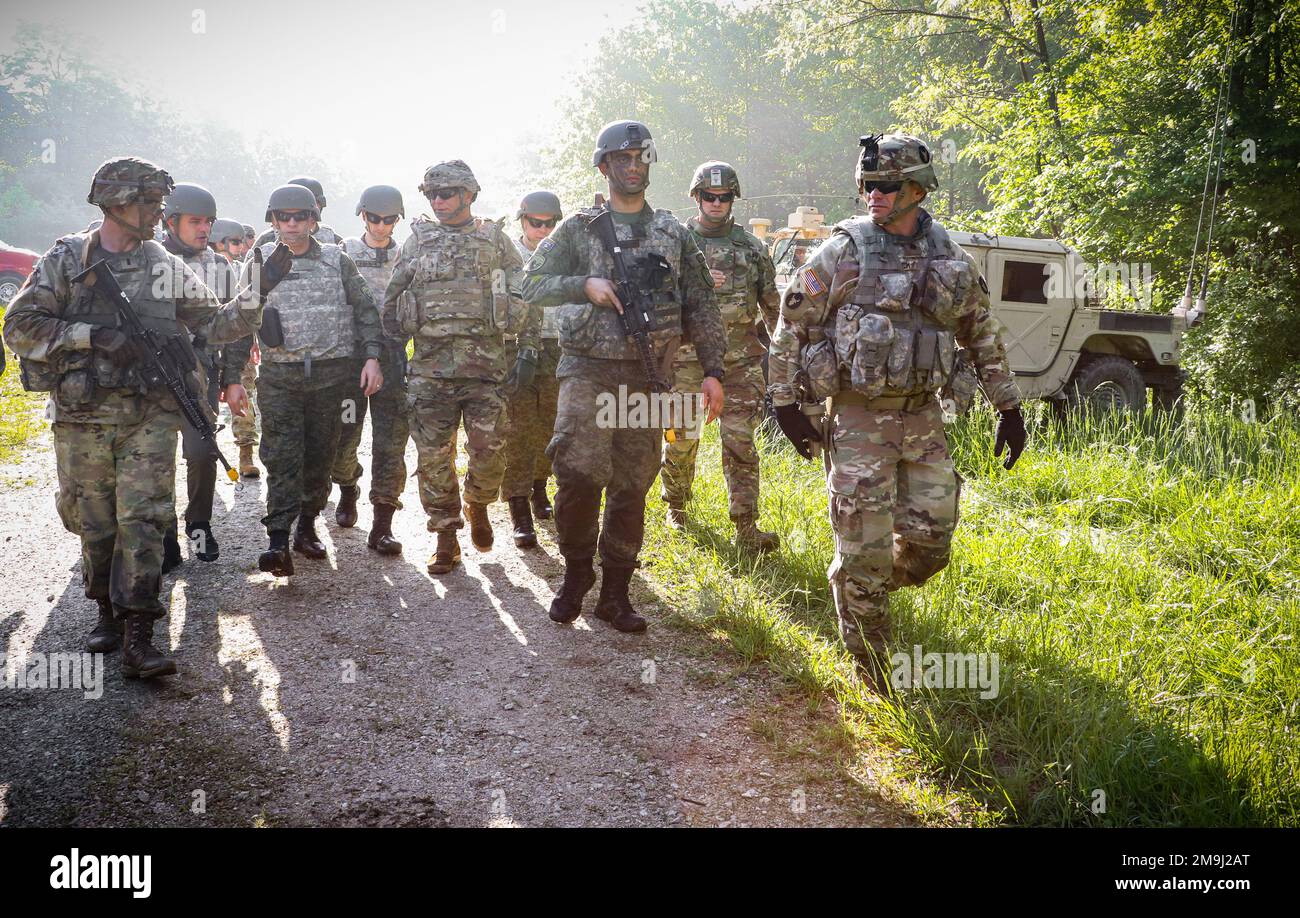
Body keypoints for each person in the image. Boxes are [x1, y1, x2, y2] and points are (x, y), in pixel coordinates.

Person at [2, 156, 288, 678]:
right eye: (150, 203)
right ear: (116, 203)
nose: (159, 213)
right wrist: (89, 336)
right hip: (83, 415)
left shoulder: (161, 262)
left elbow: (214, 324)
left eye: (160, 203)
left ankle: (140, 633)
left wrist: (256, 290)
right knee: (94, 519)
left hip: (148, 414)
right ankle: (105, 612)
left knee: (147, 516)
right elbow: (18, 326)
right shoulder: (69, 259)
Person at [767, 132, 1027, 687]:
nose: (873, 195)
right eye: (867, 185)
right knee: (864, 549)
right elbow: (791, 328)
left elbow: (979, 330)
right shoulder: (841, 250)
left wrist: (1008, 407)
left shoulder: (947, 253)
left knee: (933, 545)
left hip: (924, 419)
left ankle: (865, 584)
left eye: (885, 185)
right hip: (859, 419)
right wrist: (786, 405)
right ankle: (873, 666)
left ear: (917, 189)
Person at [521, 120, 726, 632]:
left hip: (650, 376)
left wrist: (714, 371)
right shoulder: (578, 228)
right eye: (623, 159)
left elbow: (701, 304)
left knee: (634, 484)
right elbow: (531, 284)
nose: (634, 167)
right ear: (603, 166)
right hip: (587, 371)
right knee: (577, 475)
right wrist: (582, 283)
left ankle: (616, 592)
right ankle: (575, 576)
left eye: (642, 158)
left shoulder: (673, 233)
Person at [381, 160, 536, 575]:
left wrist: (516, 317)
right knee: (433, 458)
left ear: (469, 194)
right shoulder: (416, 242)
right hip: (430, 371)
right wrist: (390, 348)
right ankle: (446, 536)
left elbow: (521, 286)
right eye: (431, 193)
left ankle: (478, 503)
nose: (438, 200)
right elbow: (394, 297)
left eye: (446, 192)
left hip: (485, 370)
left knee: (489, 453)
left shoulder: (494, 240)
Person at [246, 183, 385, 577]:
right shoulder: (258, 260)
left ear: (313, 219)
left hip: (330, 377)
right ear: (272, 220)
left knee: (321, 455)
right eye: (282, 217)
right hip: (280, 378)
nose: (291, 224)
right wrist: (232, 376)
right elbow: (240, 318)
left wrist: (372, 357)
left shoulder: (337, 261)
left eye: (300, 216)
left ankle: (306, 527)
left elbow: (365, 311)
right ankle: (277, 541)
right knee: (281, 456)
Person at [661, 161, 780, 551]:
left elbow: (773, 306)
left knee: (741, 441)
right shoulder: (676, 244)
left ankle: (746, 526)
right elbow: (654, 301)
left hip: (741, 362)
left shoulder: (752, 248)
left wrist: (783, 355)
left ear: (733, 199)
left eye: (724, 196)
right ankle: (676, 508)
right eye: (709, 196)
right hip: (687, 359)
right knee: (680, 437)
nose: (716, 203)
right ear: (696, 198)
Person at [159, 183, 247, 566]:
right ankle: (163, 537)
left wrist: (233, 379)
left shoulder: (219, 266)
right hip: (158, 377)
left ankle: (199, 526)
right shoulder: (150, 260)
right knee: (155, 458)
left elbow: (238, 324)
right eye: (195, 221)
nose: (204, 229)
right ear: (170, 221)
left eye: (208, 222)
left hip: (203, 375)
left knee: (201, 453)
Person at [332, 184, 409, 555]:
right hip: (351, 360)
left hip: (393, 359)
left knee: (391, 444)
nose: (381, 226)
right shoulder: (344, 252)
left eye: (389, 220)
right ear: (363, 216)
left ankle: (382, 524)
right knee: (343, 438)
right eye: (374, 218)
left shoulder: (408, 254)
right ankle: (347, 485)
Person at [501, 190, 564, 548]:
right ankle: (518, 507)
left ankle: (540, 487)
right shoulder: (508, 255)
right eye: (534, 222)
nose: (542, 229)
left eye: (549, 223)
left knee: (550, 427)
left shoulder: (565, 254)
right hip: (515, 349)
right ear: (521, 220)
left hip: (557, 347)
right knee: (519, 429)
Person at [254, 176, 341, 247]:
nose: (292, 223)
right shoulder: (267, 239)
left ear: (319, 205)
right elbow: (253, 266)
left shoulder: (332, 239)